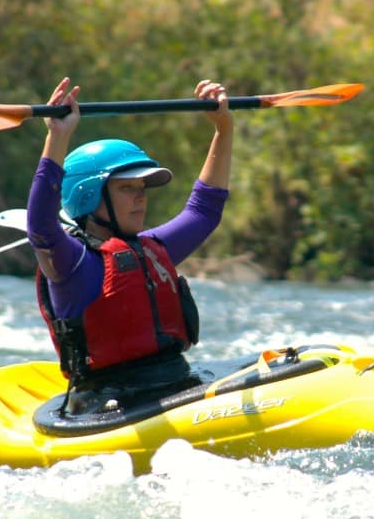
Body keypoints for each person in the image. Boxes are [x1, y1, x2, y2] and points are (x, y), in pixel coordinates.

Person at [26, 77, 233, 415]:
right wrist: (57, 136)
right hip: (104, 402)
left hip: (173, 382)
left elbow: (205, 210)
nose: (140, 198)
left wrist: (223, 130)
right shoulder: (73, 262)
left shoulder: (153, 248)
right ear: (89, 195)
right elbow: (41, 227)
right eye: (127, 188)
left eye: (143, 187)